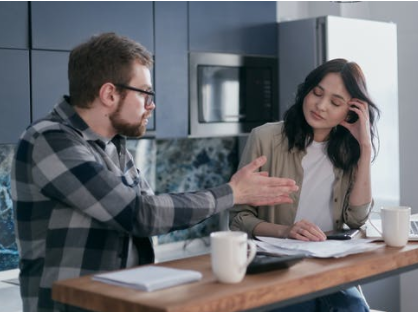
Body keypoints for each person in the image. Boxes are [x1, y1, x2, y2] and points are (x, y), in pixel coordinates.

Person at [11, 33, 299, 312]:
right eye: (145, 93)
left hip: (120, 301)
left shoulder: (115, 146)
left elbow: (152, 213)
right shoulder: (49, 140)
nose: (152, 104)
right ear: (110, 93)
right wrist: (232, 193)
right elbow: (138, 214)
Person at [229, 58, 380, 311]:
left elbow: (356, 219)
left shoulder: (349, 150)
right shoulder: (265, 138)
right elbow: (237, 219)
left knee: (354, 308)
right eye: (317, 93)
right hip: (279, 266)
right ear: (306, 92)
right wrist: (286, 231)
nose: (320, 106)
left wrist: (365, 147)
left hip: (329, 265)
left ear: (351, 112)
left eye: (335, 102)